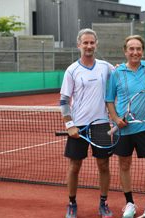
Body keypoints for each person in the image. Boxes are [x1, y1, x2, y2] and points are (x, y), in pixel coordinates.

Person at [105, 35, 145, 218]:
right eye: (131, 49)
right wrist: (116, 118)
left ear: (143, 51)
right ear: (125, 51)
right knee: (124, 164)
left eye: (138, 49)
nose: (135, 52)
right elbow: (109, 99)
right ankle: (129, 203)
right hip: (123, 128)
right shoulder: (116, 73)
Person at [60, 28, 114, 218]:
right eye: (85, 43)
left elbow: (123, 76)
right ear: (79, 45)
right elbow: (64, 101)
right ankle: (72, 203)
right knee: (74, 166)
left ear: (96, 44)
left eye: (92, 42)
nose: (89, 46)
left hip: (101, 125)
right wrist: (69, 125)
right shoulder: (72, 70)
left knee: (104, 166)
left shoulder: (106, 67)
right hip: (79, 126)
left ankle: (103, 203)